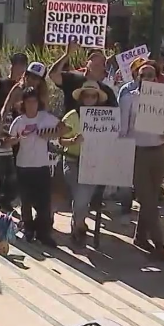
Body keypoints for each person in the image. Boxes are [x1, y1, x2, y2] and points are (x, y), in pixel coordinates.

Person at [120, 64, 164, 259]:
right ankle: (159, 243)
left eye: (150, 75)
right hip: (138, 152)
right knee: (148, 200)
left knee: (151, 197)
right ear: (137, 77)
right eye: (143, 75)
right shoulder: (128, 98)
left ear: (156, 77)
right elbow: (122, 130)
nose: (147, 78)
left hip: (159, 150)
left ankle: (140, 237)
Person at [6, 86, 63, 246]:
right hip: (23, 164)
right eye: (28, 102)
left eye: (34, 101)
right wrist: (17, 138)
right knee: (26, 200)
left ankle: (43, 232)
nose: (32, 105)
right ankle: (28, 228)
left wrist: (51, 135)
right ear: (24, 103)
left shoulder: (45, 117)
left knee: (44, 201)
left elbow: (64, 128)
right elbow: (9, 140)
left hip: (41, 165)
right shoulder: (19, 121)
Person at [59, 81, 107, 244]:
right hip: (72, 160)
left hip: (93, 163)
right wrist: (73, 140)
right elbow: (60, 140)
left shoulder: (104, 118)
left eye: (93, 96)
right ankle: (79, 225)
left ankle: (77, 224)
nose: (90, 98)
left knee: (83, 195)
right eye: (86, 95)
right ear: (81, 97)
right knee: (81, 193)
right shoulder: (71, 116)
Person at [49, 40, 117, 114]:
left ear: (104, 67)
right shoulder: (72, 79)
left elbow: (114, 117)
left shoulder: (107, 91)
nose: (98, 61)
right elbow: (53, 75)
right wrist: (67, 54)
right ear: (86, 63)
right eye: (94, 58)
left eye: (102, 61)